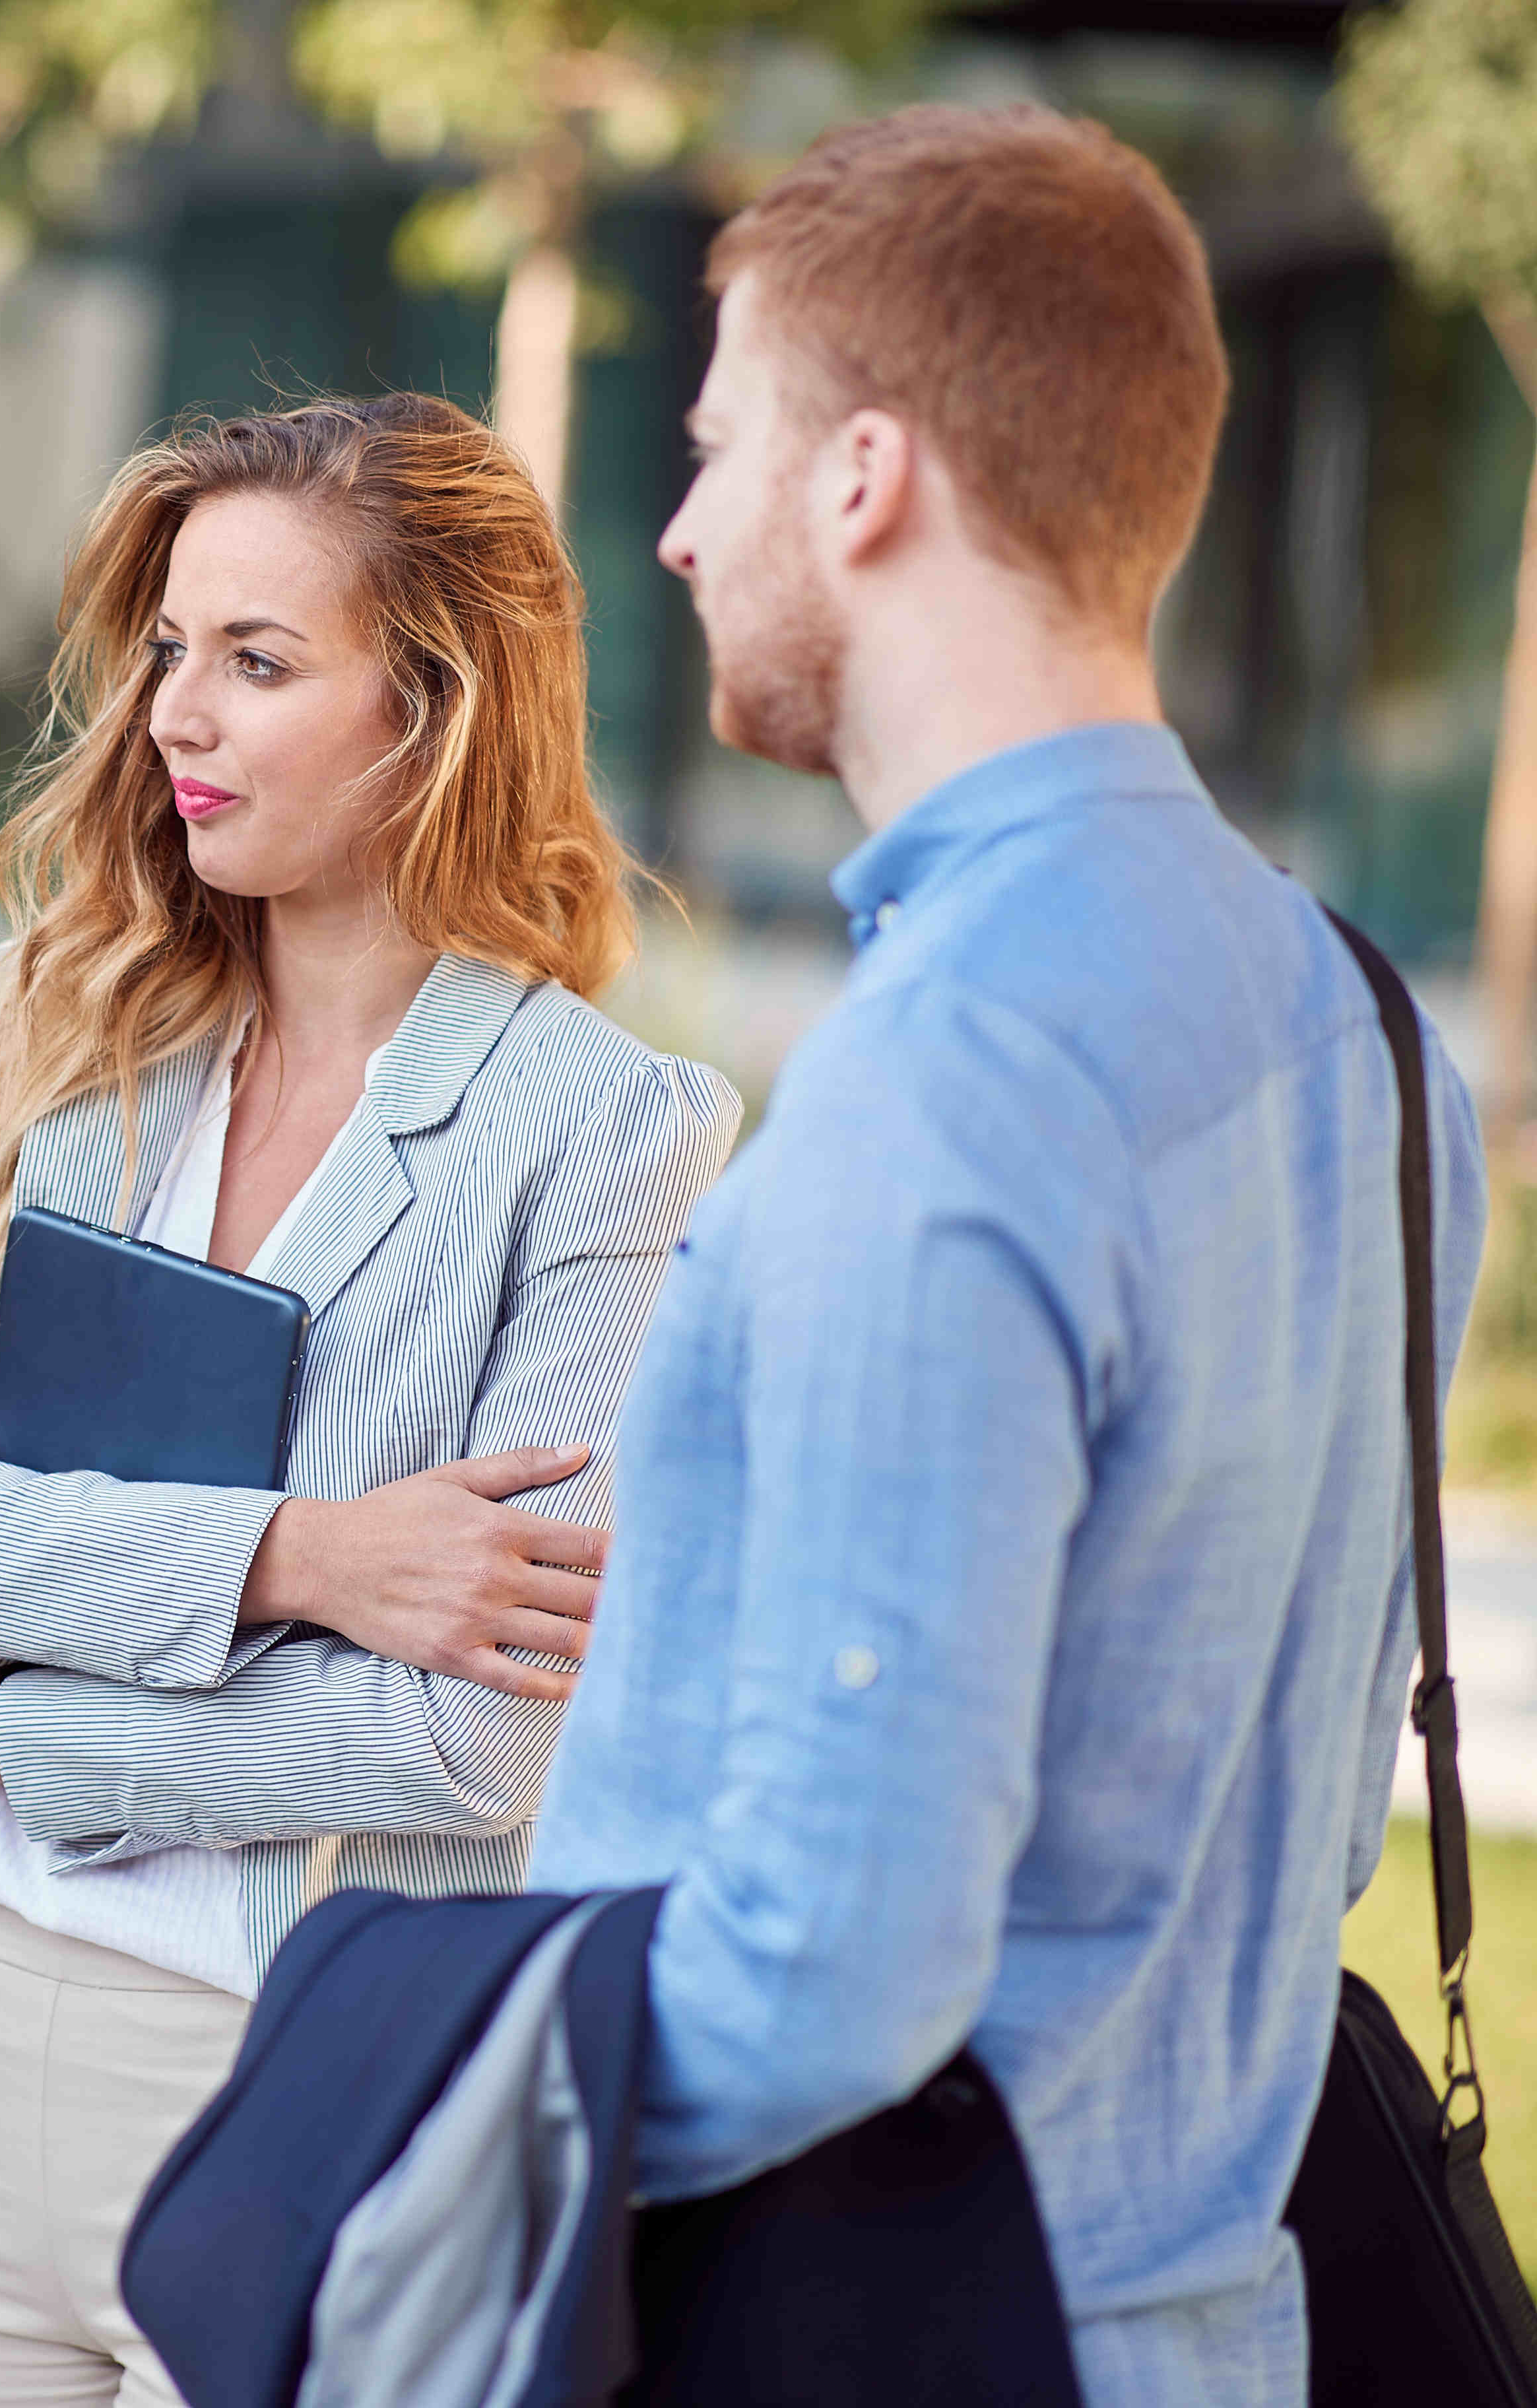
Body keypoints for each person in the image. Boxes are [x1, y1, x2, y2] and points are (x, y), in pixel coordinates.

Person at [523, 104, 1489, 2407]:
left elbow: (833, 1967)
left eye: (716, 439)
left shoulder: (948, 1082)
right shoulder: (1364, 1025)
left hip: (873, 2343)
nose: (670, 524)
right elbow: (1315, 1797)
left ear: (864, 479)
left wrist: (434, 2121)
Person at [0, 393, 738, 2407]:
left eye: (258, 662)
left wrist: (13, 1734)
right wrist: (303, 1557)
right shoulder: (76, 1023)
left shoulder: (600, 1135)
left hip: (294, 2077)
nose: (172, 719)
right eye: (169, 652)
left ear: (437, 709)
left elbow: (478, 1733)